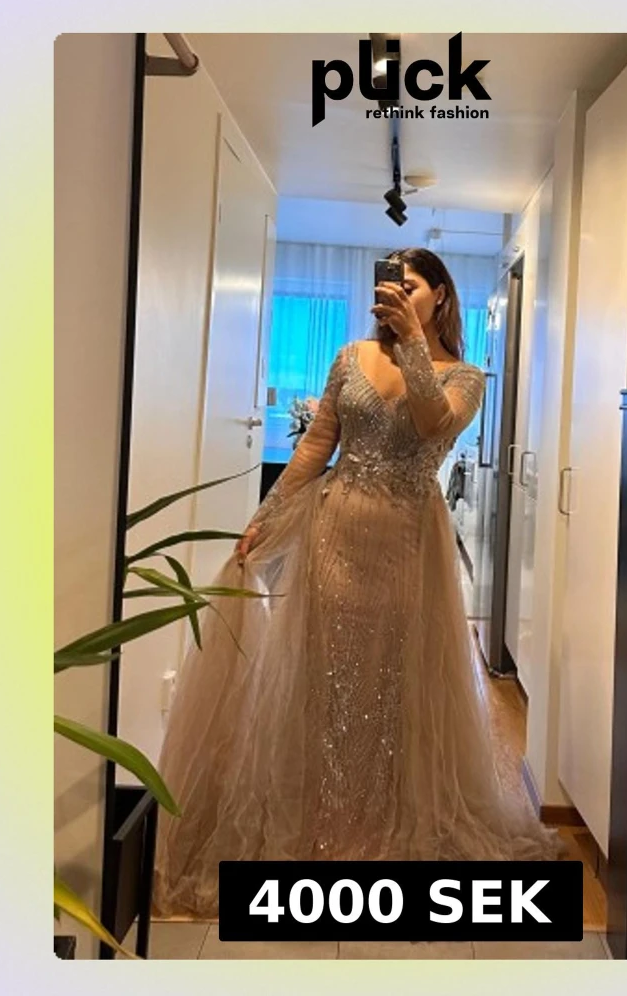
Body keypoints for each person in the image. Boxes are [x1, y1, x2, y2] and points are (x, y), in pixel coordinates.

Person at [151, 247, 567, 919]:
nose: (396, 294)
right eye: (391, 286)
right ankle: (322, 818)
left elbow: (434, 423)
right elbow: (317, 446)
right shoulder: (350, 357)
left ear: (441, 295)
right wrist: (264, 518)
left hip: (409, 543)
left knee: (392, 680)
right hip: (337, 529)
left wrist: (412, 345)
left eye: (412, 286)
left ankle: (382, 820)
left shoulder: (466, 376)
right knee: (327, 673)